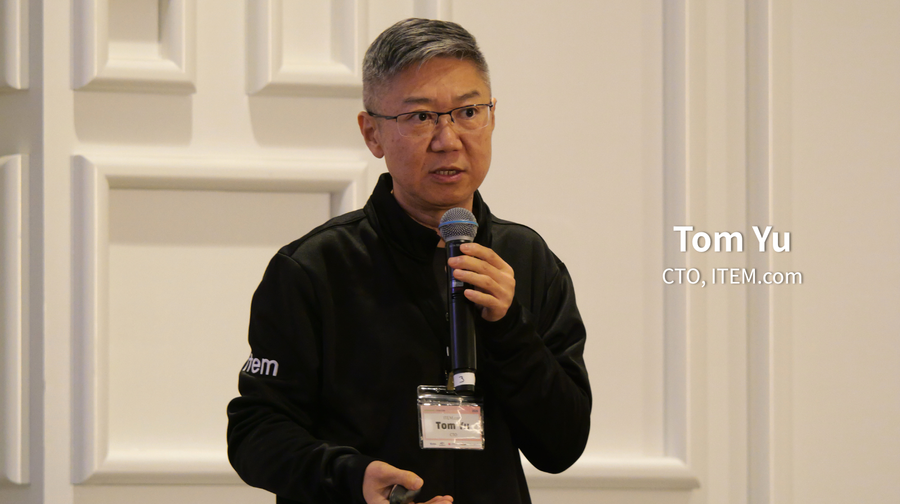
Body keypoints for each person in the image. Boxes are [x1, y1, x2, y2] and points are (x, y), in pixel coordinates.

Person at [227, 18, 591, 504]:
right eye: (420, 117)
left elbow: (562, 445)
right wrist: (352, 478)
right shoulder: (313, 269)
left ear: (492, 116)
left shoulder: (527, 260)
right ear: (372, 133)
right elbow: (255, 433)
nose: (448, 138)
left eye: (468, 112)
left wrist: (510, 328)